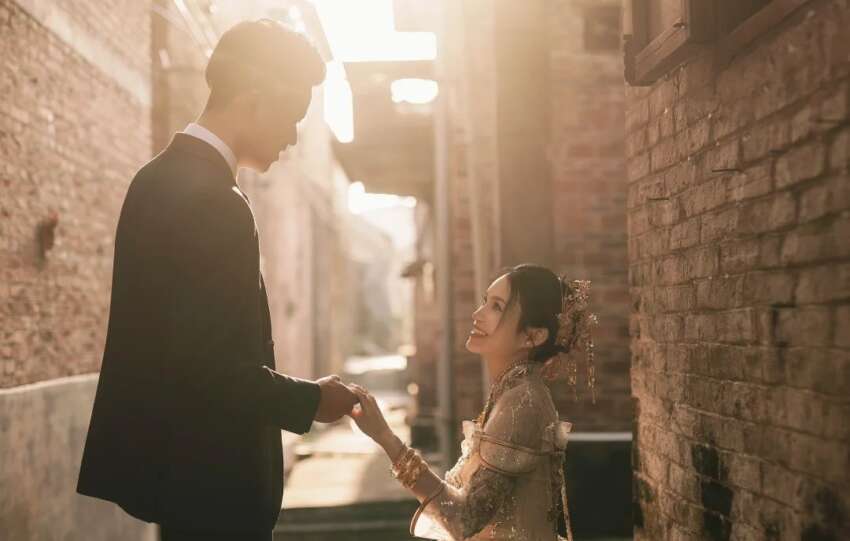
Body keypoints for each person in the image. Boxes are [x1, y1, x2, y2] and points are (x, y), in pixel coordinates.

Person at [76, 20, 357, 541]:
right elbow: (209, 369)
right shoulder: (216, 203)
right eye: (291, 117)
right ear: (253, 100)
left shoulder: (154, 179)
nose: (293, 138)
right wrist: (311, 400)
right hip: (217, 491)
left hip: (182, 484)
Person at [349, 264, 597, 541]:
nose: (477, 314)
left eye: (497, 307)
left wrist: (385, 437)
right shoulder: (511, 393)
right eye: (484, 302)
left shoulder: (523, 402)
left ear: (533, 336)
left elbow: (463, 519)